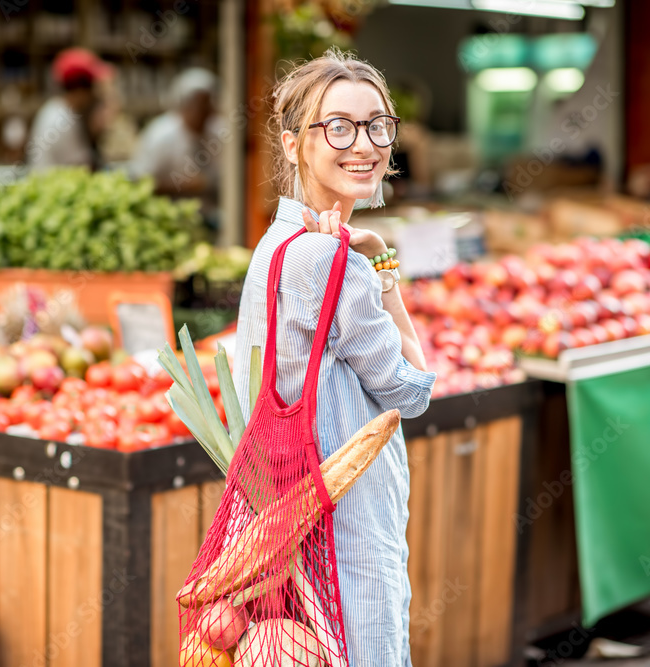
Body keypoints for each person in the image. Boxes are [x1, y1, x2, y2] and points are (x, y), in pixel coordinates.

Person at [233, 49, 436, 666]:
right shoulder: (329, 260)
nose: (366, 144)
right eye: (339, 127)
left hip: (296, 533)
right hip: (345, 538)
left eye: (378, 125)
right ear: (293, 145)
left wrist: (366, 247)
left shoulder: (278, 246)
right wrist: (384, 271)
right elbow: (415, 391)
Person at [131, 68, 224, 209]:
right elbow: (140, 181)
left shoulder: (218, 131)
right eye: (200, 105)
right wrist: (183, 185)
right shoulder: (161, 134)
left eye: (208, 104)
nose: (206, 111)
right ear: (184, 105)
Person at [28, 48, 112, 170]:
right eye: (93, 88)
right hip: (53, 186)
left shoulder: (55, 109)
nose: (95, 95)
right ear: (81, 90)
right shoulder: (62, 120)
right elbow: (83, 169)